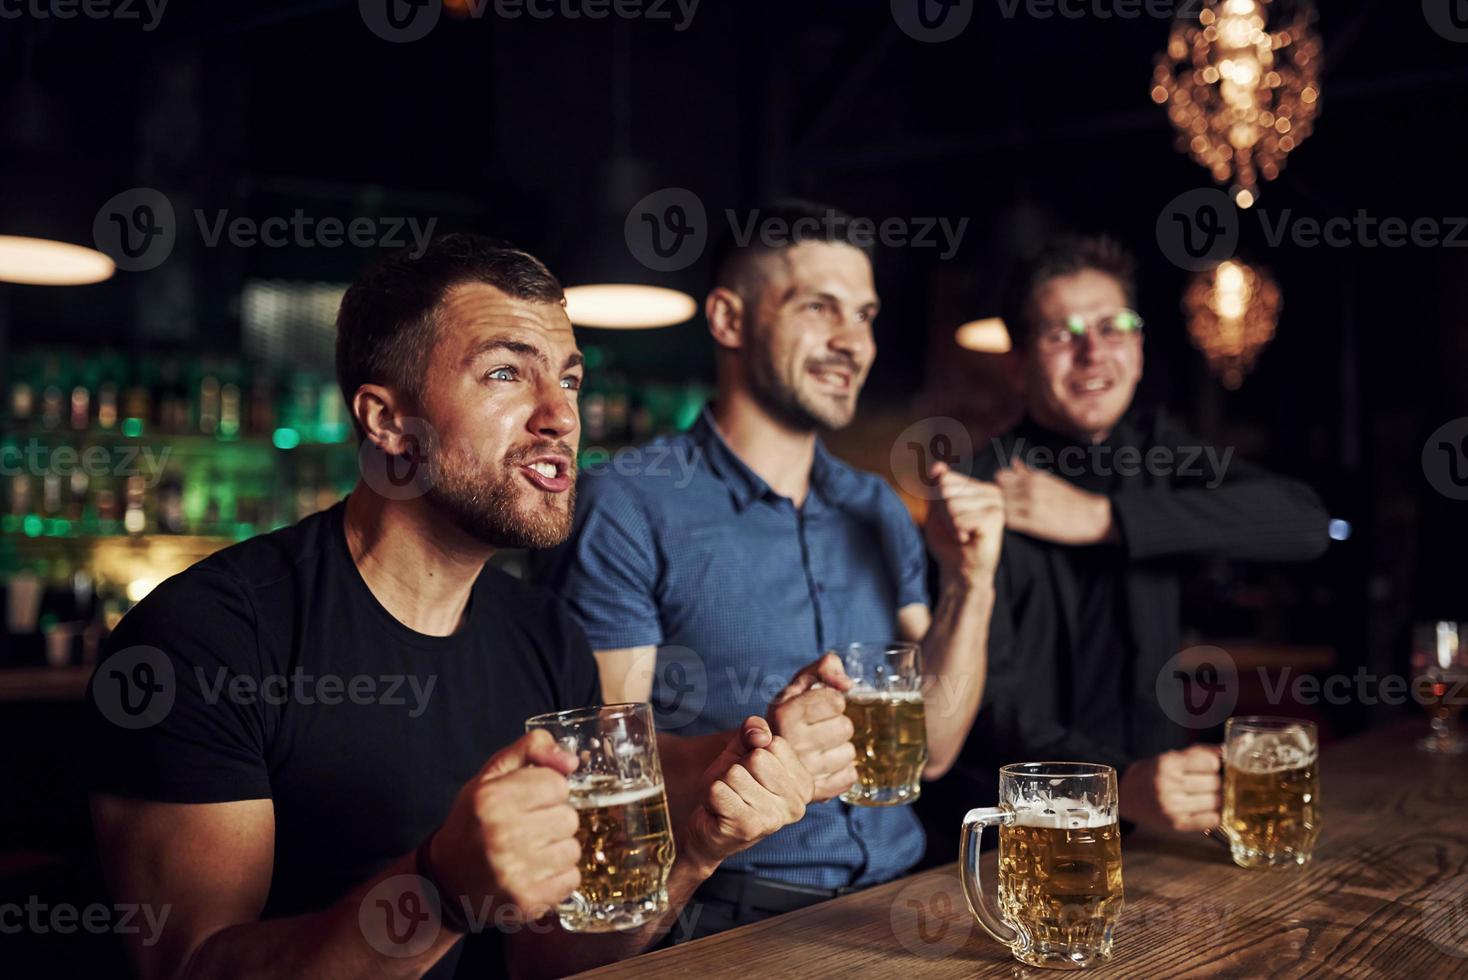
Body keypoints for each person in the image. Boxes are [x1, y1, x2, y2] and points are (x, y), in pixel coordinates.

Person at [84, 235, 814, 980]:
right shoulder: (206, 640)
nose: (561, 416)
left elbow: (543, 956)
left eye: (570, 380)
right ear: (387, 421)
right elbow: (193, 968)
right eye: (505, 373)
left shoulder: (547, 636)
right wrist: (438, 893)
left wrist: (692, 849)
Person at [540, 202, 1004, 935]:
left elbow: (936, 752)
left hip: (910, 907)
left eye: (866, 315)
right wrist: (758, 749)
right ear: (728, 319)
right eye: (821, 309)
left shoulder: (879, 507)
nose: (854, 342)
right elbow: (607, 763)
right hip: (736, 919)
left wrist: (972, 585)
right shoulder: (627, 502)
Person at [921, 234, 1330, 858]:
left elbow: (1302, 523)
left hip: (1155, 835)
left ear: (1138, 349)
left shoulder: (1158, 449)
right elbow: (985, 712)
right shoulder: (981, 489)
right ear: (1018, 362)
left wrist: (1102, 518)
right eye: (1063, 333)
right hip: (1013, 844)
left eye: (1115, 327)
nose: (1093, 353)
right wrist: (1118, 788)